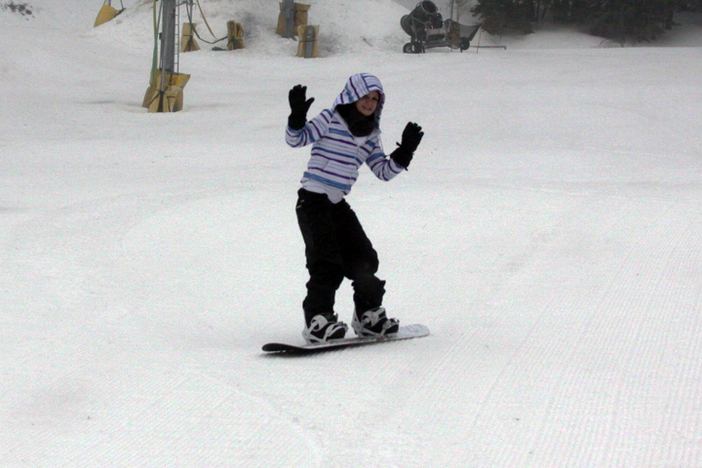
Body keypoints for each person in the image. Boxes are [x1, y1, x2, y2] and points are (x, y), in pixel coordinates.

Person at [285, 73, 424, 344]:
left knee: (365, 258)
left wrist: (405, 152)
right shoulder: (330, 118)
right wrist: (297, 118)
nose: (370, 103)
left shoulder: (371, 133)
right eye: (365, 97)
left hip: (337, 203)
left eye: (375, 99)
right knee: (326, 261)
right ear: (352, 95)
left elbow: (383, 171)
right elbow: (295, 140)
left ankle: (368, 316)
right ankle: (318, 320)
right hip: (312, 200)